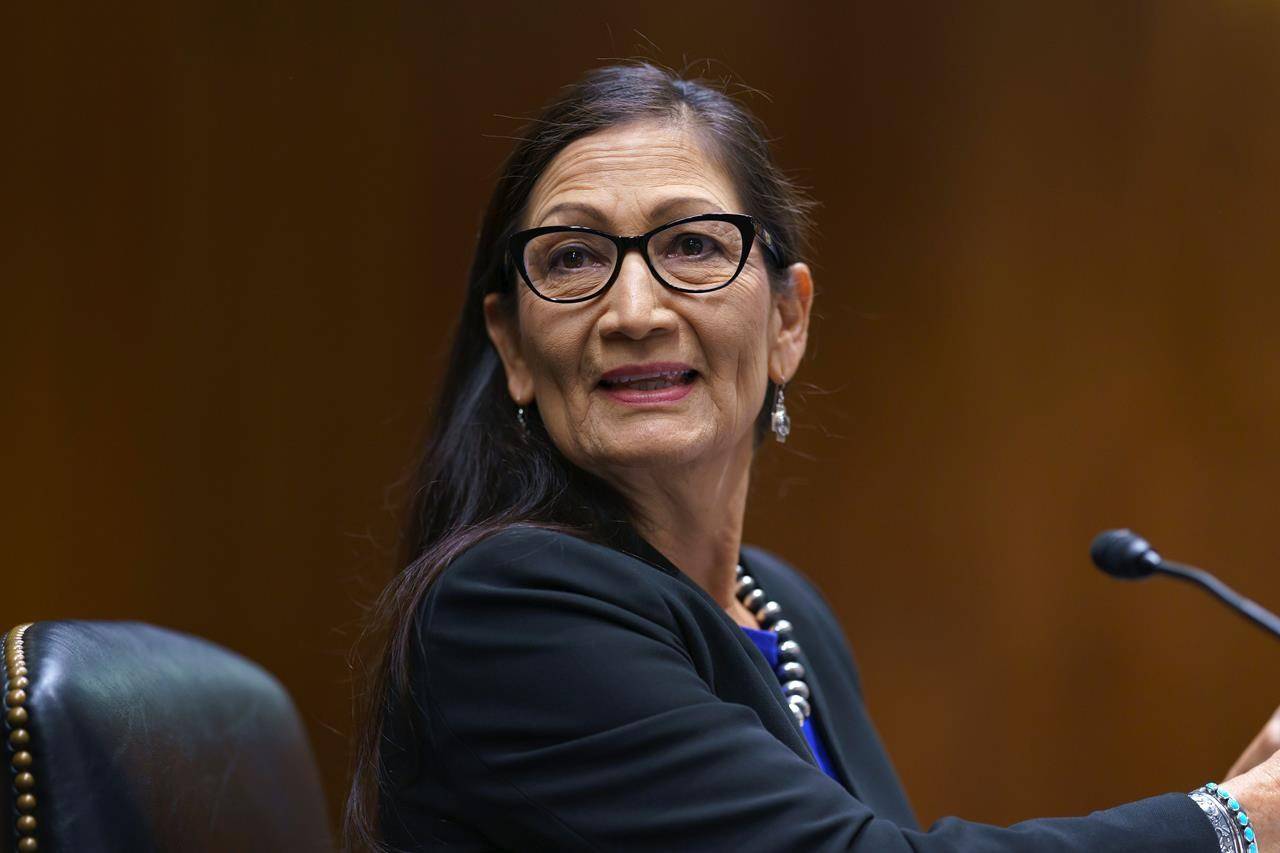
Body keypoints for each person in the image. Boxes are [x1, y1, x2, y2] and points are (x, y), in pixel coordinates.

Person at [345, 60, 1280, 852]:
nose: (633, 312)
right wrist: (1239, 822)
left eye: (693, 244)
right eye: (573, 259)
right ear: (511, 344)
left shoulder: (787, 612)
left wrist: (1247, 811)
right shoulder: (504, 612)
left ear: (788, 319)